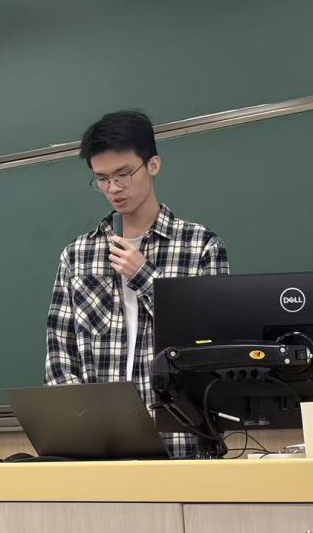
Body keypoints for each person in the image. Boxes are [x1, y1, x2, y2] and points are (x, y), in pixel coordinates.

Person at [45, 110, 228, 457]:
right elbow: (60, 353)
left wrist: (144, 276)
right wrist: (80, 429)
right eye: (101, 179)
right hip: (100, 449)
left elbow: (211, 343)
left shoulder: (200, 246)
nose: (113, 188)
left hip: (181, 444)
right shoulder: (78, 255)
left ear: (153, 165)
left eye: (123, 174)